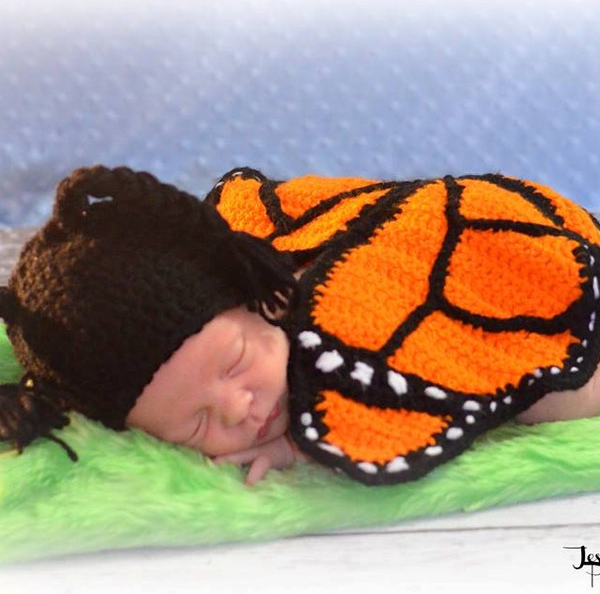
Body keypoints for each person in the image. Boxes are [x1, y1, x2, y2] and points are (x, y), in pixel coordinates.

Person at [0, 165, 599, 486]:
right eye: (196, 424)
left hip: (504, 245)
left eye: (233, 362)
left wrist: (315, 438)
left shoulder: (303, 291)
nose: (239, 408)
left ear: (259, 299)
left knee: (556, 382)